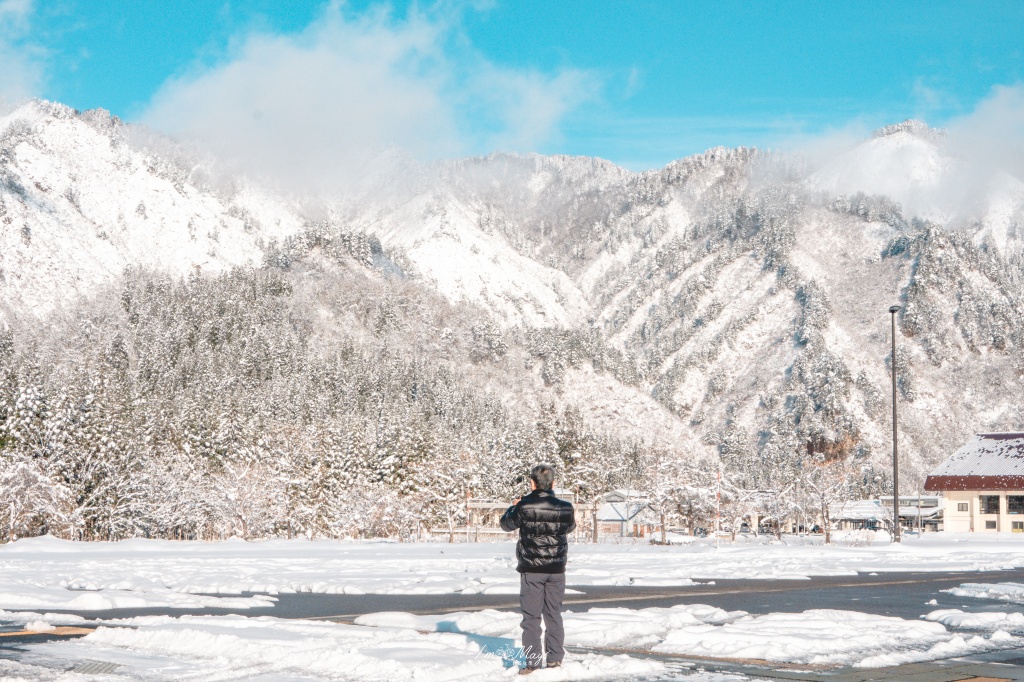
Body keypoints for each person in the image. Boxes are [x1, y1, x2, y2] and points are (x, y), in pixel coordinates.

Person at [500, 464, 576, 675]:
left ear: (532, 482)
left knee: (531, 617)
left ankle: (533, 662)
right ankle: (554, 660)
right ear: (553, 482)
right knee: (554, 615)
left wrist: (513, 507)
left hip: (532, 568)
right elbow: (569, 527)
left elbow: (506, 524)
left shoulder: (524, 506)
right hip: (557, 568)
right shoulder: (566, 507)